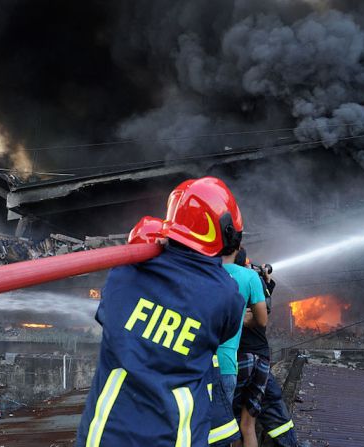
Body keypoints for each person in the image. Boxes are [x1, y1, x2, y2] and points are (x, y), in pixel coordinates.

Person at [76, 177, 246, 447]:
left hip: (104, 436)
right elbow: (225, 331)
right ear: (224, 231)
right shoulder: (226, 296)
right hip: (174, 438)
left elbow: (107, 314)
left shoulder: (124, 274)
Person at [209, 245, 268, 447]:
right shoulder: (249, 277)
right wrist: (241, 318)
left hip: (199, 361)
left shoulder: (204, 271)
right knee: (234, 428)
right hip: (228, 362)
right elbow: (262, 319)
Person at [232, 249, 272, 447]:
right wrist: (266, 280)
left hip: (240, 356)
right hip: (262, 358)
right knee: (248, 425)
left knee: (232, 423)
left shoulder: (227, 282)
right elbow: (264, 311)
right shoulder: (255, 282)